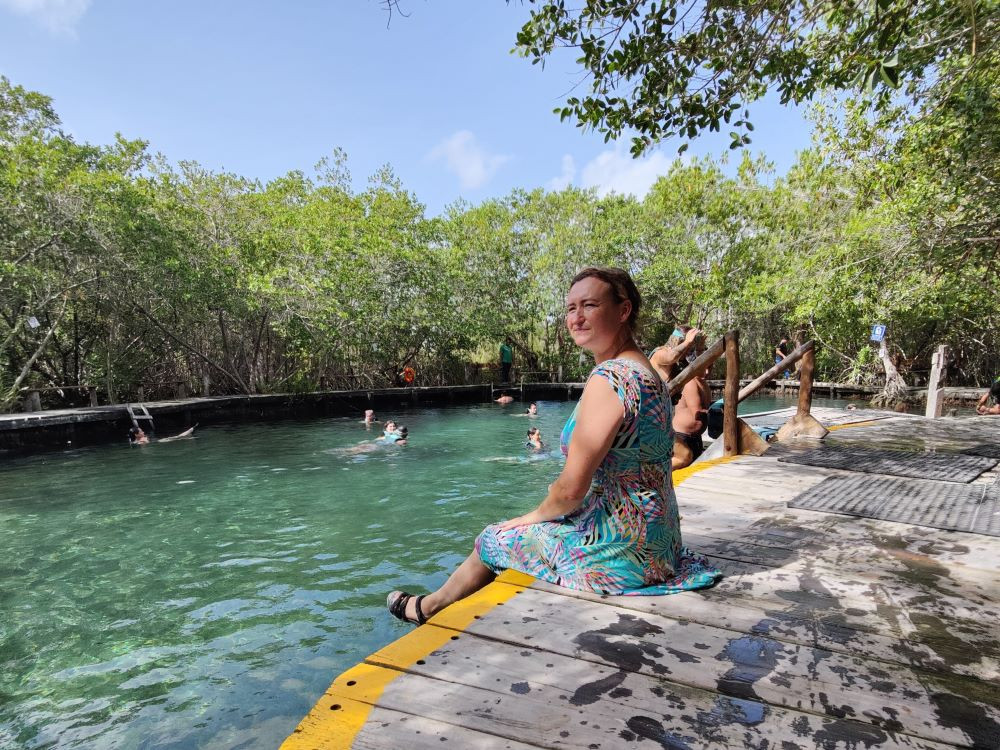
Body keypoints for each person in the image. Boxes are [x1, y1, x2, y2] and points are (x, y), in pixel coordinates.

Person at [387, 266, 721, 625]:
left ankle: (429, 608)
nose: (576, 317)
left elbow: (570, 490)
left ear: (623, 311)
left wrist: (522, 520)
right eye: (570, 308)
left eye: (589, 305)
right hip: (661, 542)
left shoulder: (611, 379)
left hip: (625, 555)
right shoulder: (646, 372)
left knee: (492, 538)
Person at [672, 360, 710, 470]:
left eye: (710, 367)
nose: (707, 371)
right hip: (683, 437)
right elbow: (697, 413)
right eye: (704, 368)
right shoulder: (690, 383)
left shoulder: (703, 384)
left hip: (696, 437)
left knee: (694, 472)